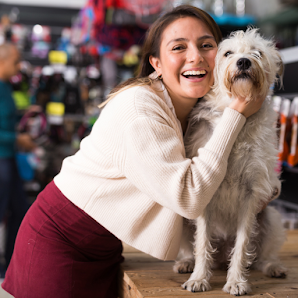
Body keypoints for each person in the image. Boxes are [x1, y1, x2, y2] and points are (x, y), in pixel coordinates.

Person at [2, 5, 266, 298]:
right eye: (179, 47)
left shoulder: (193, 109)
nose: (196, 56)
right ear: (157, 63)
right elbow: (189, 197)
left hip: (106, 248)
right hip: (61, 241)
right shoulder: (139, 109)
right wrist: (236, 113)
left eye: (207, 45)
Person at [0, 43, 35, 276]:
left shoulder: (5, 87)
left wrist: (25, 114)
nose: (19, 66)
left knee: (20, 208)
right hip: (2, 158)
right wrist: (17, 139)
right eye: (15, 61)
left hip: (9, 158)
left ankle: (11, 264)